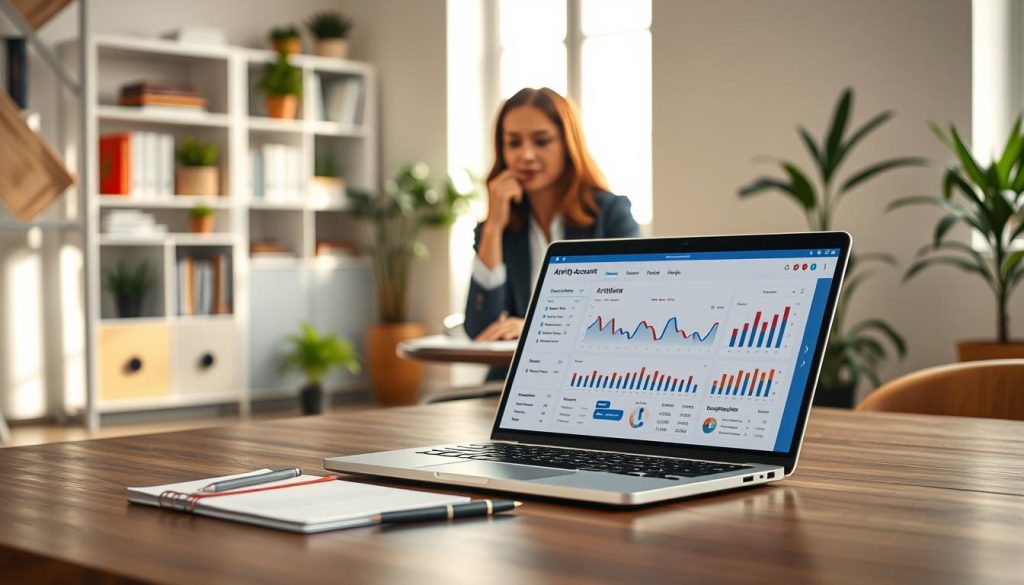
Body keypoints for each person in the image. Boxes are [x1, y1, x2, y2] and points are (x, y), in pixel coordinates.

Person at [465, 87, 640, 378]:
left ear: (567, 145)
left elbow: (630, 312)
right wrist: (494, 226)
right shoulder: (500, 229)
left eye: (542, 141)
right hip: (512, 381)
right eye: (513, 143)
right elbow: (481, 328)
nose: (526, 155)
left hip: (589, 377)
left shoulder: (610, 216)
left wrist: (537, 328)